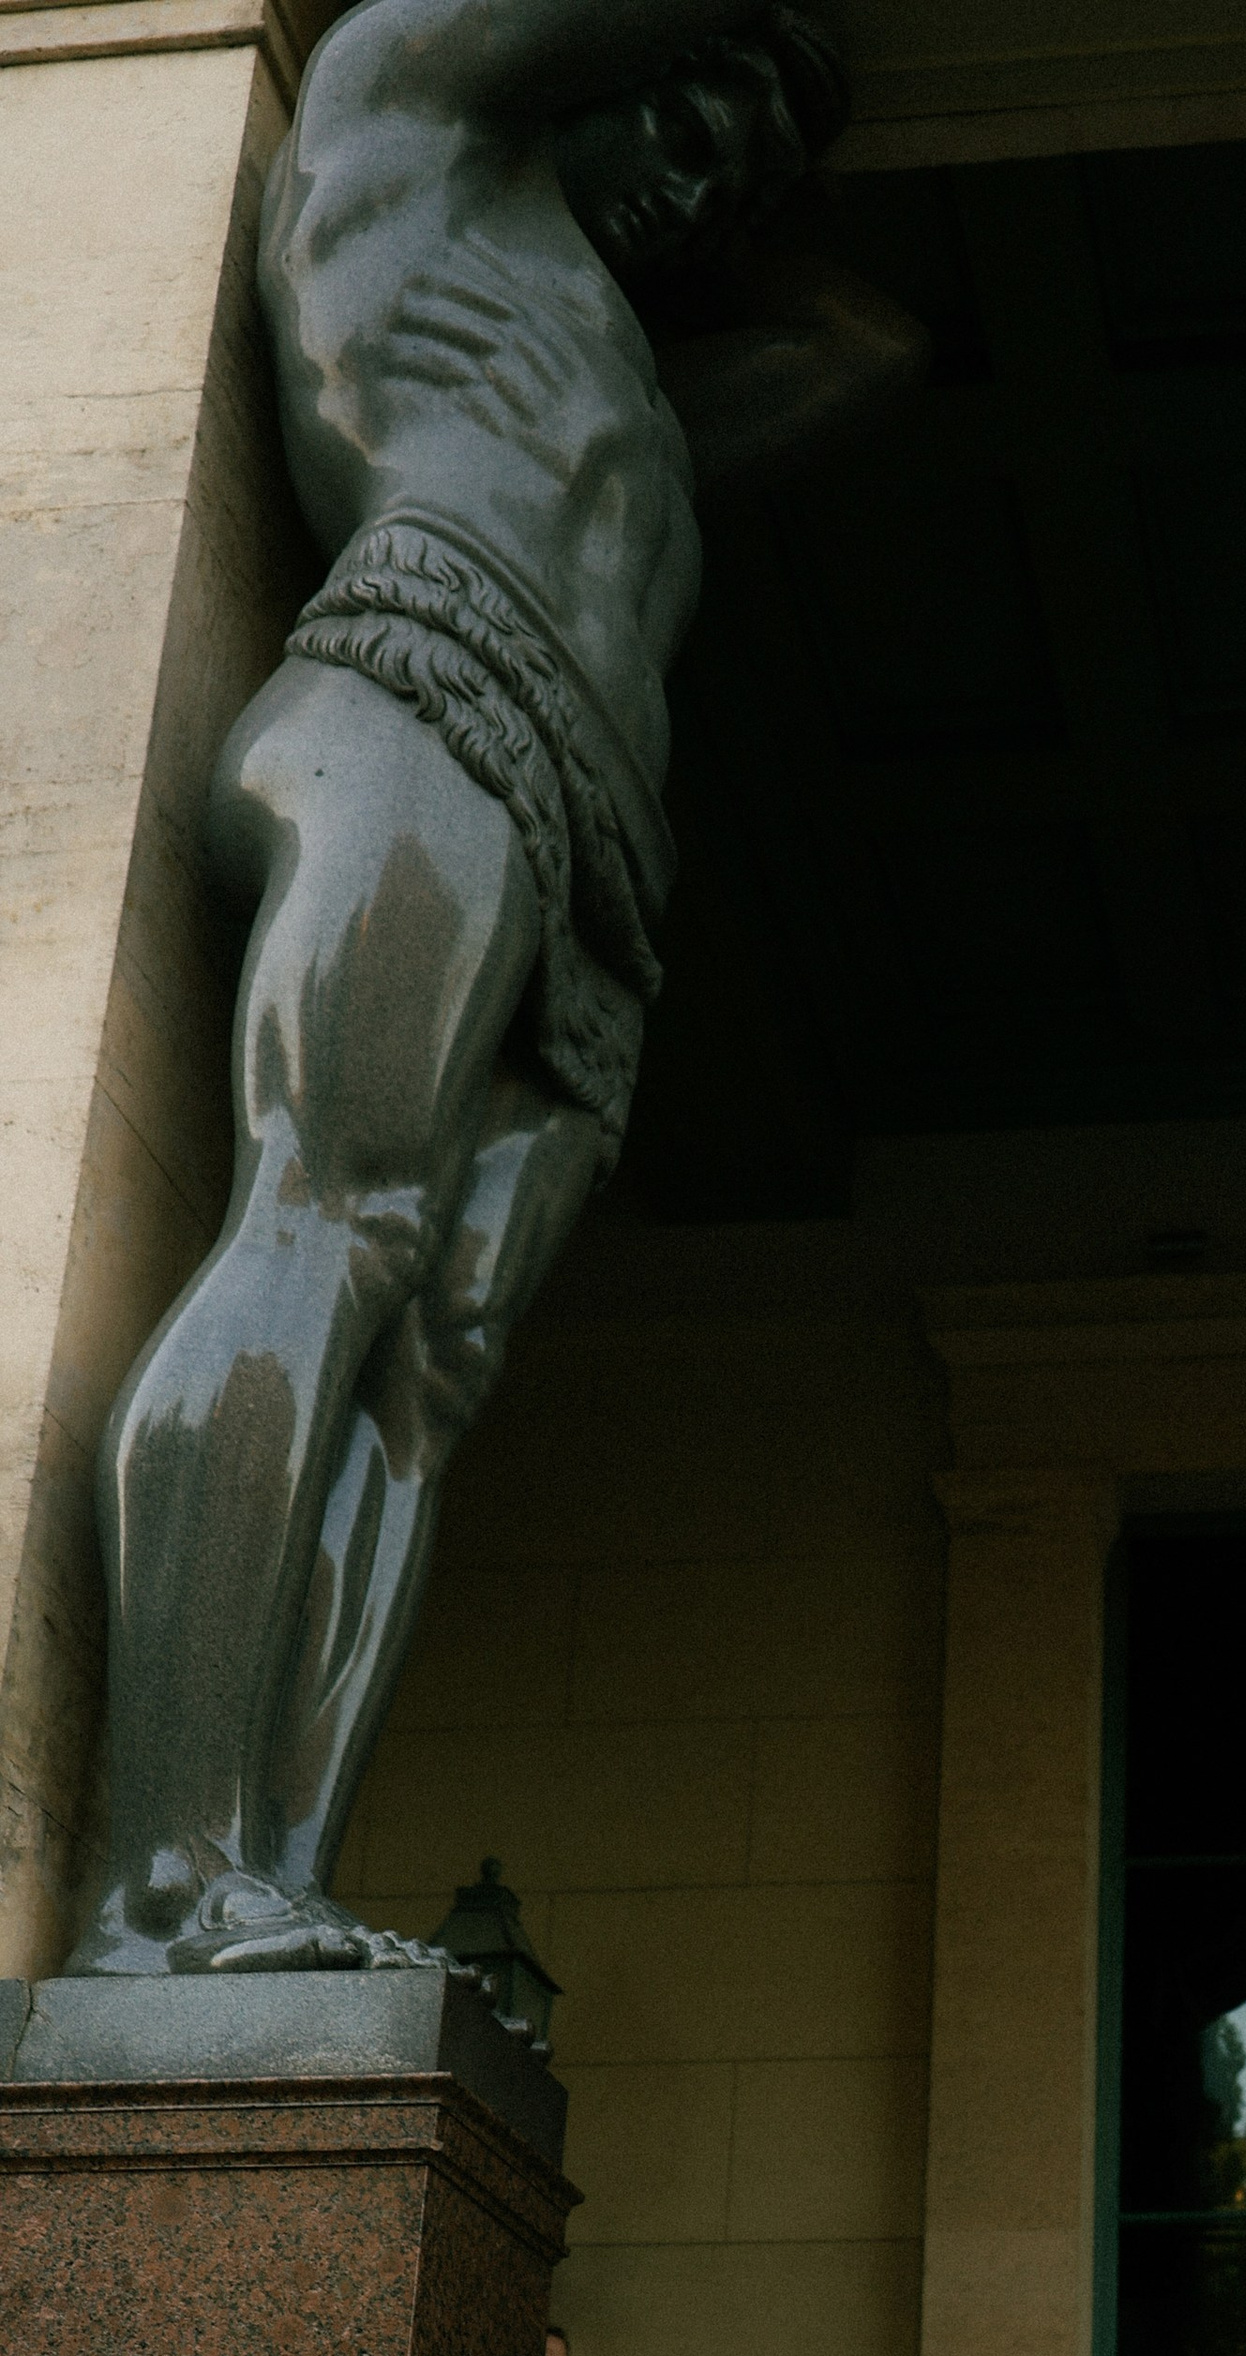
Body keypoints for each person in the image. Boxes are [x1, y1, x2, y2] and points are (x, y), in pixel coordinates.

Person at [70, 0, 923, 1979]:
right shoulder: (399, 129)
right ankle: (158, 1880)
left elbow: (860, 350)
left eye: (756, 161)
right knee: (322, 1229)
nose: (713, 169)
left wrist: (733, 121)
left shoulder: (623, 359)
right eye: (695, 114)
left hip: (589, 850)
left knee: (435, 1375)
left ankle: (269, 1866)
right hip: (420, 704)